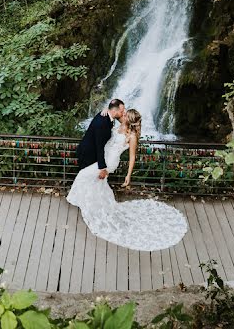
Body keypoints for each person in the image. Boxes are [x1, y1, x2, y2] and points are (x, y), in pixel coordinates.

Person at [67, 106, 188, 251]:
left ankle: (83, 201)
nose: (122, 115)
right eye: (123, 113)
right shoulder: (120, 124)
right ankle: (98, 204)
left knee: (84, 175)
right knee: (98, 183)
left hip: (109, 162)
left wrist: (128, 175)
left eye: (125, 114)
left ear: (128, 120)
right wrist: (106, 109)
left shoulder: (132, 136)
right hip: (103, 158)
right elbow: (114, 112)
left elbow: (132, 157)